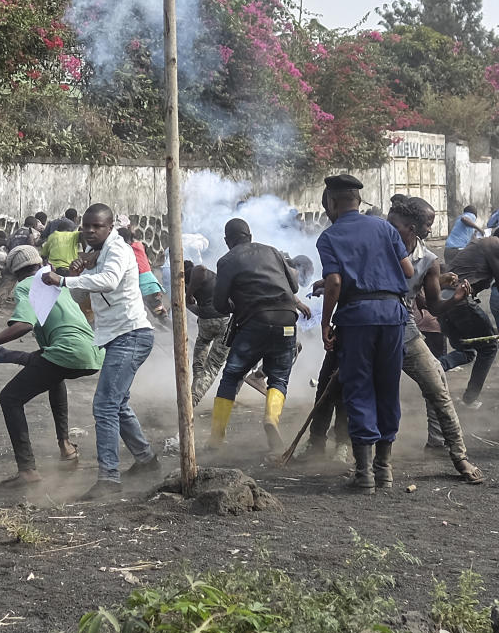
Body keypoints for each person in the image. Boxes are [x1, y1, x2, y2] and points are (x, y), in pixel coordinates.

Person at [41, 203, 158, 499]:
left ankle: (109, 478)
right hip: (121, 336)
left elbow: (109, 281)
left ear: (109, 228)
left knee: (105, 405)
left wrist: (64, 278)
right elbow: (86, 291)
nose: (90, 231)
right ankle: (146, 460)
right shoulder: (101, 254)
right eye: (87, 226)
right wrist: (79, 270)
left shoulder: (117, 250)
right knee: (117, 404)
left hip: (131, 335)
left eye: (97, 226)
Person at [317, 174, 412, 494]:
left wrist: (325, 321)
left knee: (359, 390)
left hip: (357, 319)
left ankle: (365, 475)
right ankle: (384, 471)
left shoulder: (329, 237)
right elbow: (409, 271)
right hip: (392, 316)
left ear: (332, 203)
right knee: (387, 387)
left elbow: (334, 283)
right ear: (359, 201)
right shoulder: (385, 228)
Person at [0, 246, 102, 485]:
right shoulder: (56, 280)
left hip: (67, 351)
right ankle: (65, 446)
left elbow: (23, 326)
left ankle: (27, 470)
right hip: (92, 351)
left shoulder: (26, 285)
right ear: (39, 263)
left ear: (14, 272)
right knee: (51, 372)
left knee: (10, 398)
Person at [385, 198, 482, 483]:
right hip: (373, 326)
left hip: (404, 328)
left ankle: (459, 456)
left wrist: (457, 298)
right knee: (353, 387)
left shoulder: (428, 260)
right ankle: (357, 456)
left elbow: (433, 305)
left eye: (395, 226)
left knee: (438, 385)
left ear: (409, 228)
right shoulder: (379, 247)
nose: (389, 229)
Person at [207, 218, 299, 453]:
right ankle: (271, 419)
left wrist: (235, 304)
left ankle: (216, 437)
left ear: (227, 241)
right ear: (250, 235)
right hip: (287, 319)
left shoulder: (227, 260)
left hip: (255, 323)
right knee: (279, 377)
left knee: (232, 376)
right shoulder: (273, 252)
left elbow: (219, 303)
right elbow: (295, 287)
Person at [438, 235, 499, 408]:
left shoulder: (479, 245)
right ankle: (469, 400)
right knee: (490, 347)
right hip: (457, 301)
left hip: (444, 302)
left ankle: (431, 369)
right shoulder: (494, 243)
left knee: (467, 351)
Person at [183, 261, 231, 406]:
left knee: (202, 359)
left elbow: (200, 269)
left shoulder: (194, 274)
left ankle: (193, 394)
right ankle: (193, 399)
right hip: (220, 321)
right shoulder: (205, 278)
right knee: (212, 366)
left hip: (211, 322)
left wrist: (189, 294)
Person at [119, 228, 167, 321]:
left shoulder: (124, 251)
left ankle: (168, 332)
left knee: (142, 318)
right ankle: (171, 330)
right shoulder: (139, 245)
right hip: (153, 285)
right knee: (161, 315)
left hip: (142, 288)